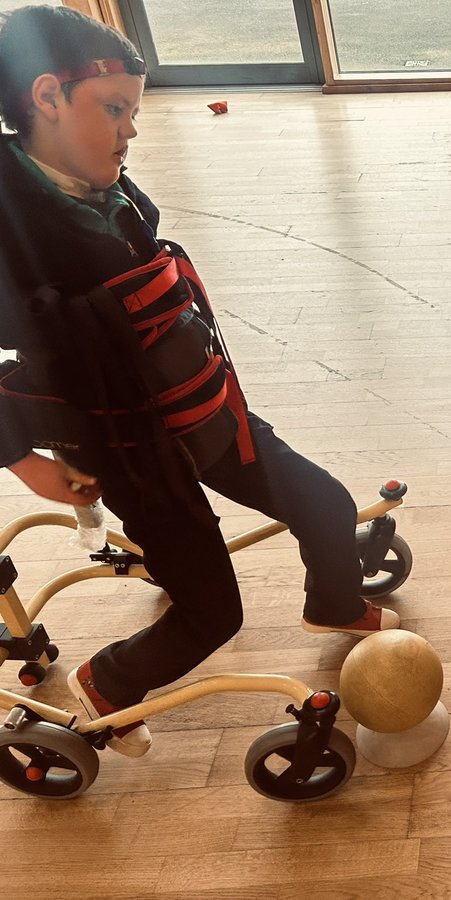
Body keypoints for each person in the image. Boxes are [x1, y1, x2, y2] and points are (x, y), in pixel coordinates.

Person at [0, 6, 399, 758]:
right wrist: (28, 463)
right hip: (133, 457)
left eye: (134, 111)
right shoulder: (11, 225)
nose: (131, 130)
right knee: (213, 615)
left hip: (206, 409)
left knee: (326, 502)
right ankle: (109, 683)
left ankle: (335, 605)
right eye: (113, 109)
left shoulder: (103, 186)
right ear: (47, 97)